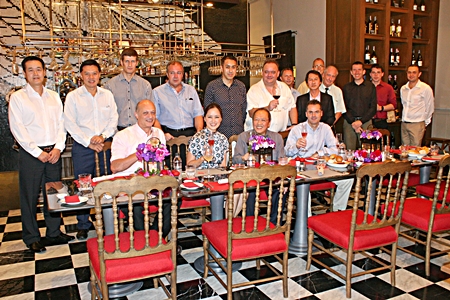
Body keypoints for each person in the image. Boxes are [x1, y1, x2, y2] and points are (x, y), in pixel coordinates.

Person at [8, 56, 74, 253]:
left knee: (53, 194)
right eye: (31, 70)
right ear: (25, 74)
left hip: (53, 152)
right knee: (29, 196)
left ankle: (54, 233)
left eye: (39, 69)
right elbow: (17, 129)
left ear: (45, 72)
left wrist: (58, 148)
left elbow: (62, 125)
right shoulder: (18, 98)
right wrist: (37, 152)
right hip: (31, 154)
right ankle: (31, 236)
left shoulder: (53, 96)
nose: (36, 73)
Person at [64, 59, 118, 240]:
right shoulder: (73, 96)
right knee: (83, 185)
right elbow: (70, 123)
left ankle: (107, 219)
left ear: (100, 75)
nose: (91, 77)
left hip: (105, 145)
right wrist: (88, 141)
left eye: (94, 73)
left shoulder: (107, 95)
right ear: (81, 76)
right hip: (83, 147)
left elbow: (113, 119)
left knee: (106, 183)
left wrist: (102, 136)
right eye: (86, 74)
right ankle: (83, 224)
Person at [110, 100, 169, 234]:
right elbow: (115, 167)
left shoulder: (159, 133)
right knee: (134, 204)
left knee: (174, 200)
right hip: (129, 184)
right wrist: (139, 154)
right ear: (136, 114)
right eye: (145, 113)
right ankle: (147, 240)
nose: (150, 116)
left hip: (154, 183)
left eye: (153, 113)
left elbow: (161, 162)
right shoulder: (123, 135)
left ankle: (156, 237)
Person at [285, 100, 353, 212]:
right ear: (306, 114)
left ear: (321, 113)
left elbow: (335, 149)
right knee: (303, 185)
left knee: (347, 179)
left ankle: (338, 210)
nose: (313, 115)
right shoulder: (297, 129)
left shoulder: (325, 128)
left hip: (320, 166)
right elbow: (286, 152)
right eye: (310, 112)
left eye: (316, 112)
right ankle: (306, 219)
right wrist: (296, 146)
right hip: (303, 168)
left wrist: (320, 153)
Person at [233, 108, 285, 223]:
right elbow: (234, 159)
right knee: (251, 190)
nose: (259, 123)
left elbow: (281, 160)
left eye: (263, 120)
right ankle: (250, 224)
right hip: (250, 176)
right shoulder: (244, 137)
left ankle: (274, 224)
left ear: (269, 123)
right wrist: (243, 158)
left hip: (271, 176)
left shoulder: (277, 138)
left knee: (281, 188)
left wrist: (283, 178)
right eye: (256, 120)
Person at [152, 61, 204, 166]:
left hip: (190, 135)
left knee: (191, 169)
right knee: (171, 172)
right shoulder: (157, 92)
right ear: (167, 74)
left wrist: (199, 133)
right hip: (169, 136)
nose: (175, 76)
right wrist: (162, 134)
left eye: (179, 73)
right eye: (172, 73)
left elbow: (197, 114)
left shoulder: (191, 90)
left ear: (183, 75)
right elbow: (154, 118)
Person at [104, 48, 153, 131]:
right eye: (127, 61)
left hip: (139, 131)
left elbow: (150, 112)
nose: (130, 65)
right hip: (117, 131)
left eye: (133, 61)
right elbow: (106, 112)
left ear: (137, 63)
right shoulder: (110, 85)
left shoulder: (145, 85)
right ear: (121, 62)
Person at [244, 60, 297, 133]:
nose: (269, 75)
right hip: (259, 137)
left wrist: (294, 124)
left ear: (278, 73)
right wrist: (267, 108)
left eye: (273, 72)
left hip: (281, 135)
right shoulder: (254, 90)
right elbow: (251, 113)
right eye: (266, 72)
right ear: (262, 73)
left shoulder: (284, 88)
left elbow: (292, 107)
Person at [203, 55, 247, 138]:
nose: (230, 70)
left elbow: (243, 111)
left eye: (233, 67)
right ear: (222, 68)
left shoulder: (241, 87)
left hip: (239, 134)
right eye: (227, 67)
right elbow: (207, 111)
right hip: (218, 135)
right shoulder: (212, 86)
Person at [342, 61, 377, 150]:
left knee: (367, 150)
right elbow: (343, 106)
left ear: (364, 72)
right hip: (349, 123)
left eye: (359, 70)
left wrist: (360, 122)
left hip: (365, 122)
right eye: (354, 70)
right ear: (351, 72)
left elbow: (373, 107)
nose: (357, 72)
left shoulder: (370, 87)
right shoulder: (346, 87)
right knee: (349, 150)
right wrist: (353, 122)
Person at [400, 65, 434, 146]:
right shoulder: (403, 88)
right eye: (409, 72)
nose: (411, 75)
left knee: (415, 150)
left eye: (414, 72)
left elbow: (430, 106)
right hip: (404, 123)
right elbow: (403, 105)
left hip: (417, 123)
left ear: (419, 74)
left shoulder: (425, 88)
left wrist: (425, 122)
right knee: (404, 150)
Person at [187, 103, 229, 169]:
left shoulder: (223, 139)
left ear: (221, 119)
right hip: (200, 176)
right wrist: (203, 158)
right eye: (210, 117)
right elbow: (189, 165)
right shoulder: (197, 138)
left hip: (217, 176)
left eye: (216, 117)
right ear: (205, 119)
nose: (213, 121)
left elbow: (223, 166)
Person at [370, 64, 397, 129]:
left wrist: (381, 108)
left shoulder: (388, 88)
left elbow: (393, 105)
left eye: (378, 72)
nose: (376, 75)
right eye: (373, 72)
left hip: (381, 121)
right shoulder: (365, 87)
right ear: (370, 74)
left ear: (382, 74)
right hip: (367, 121)